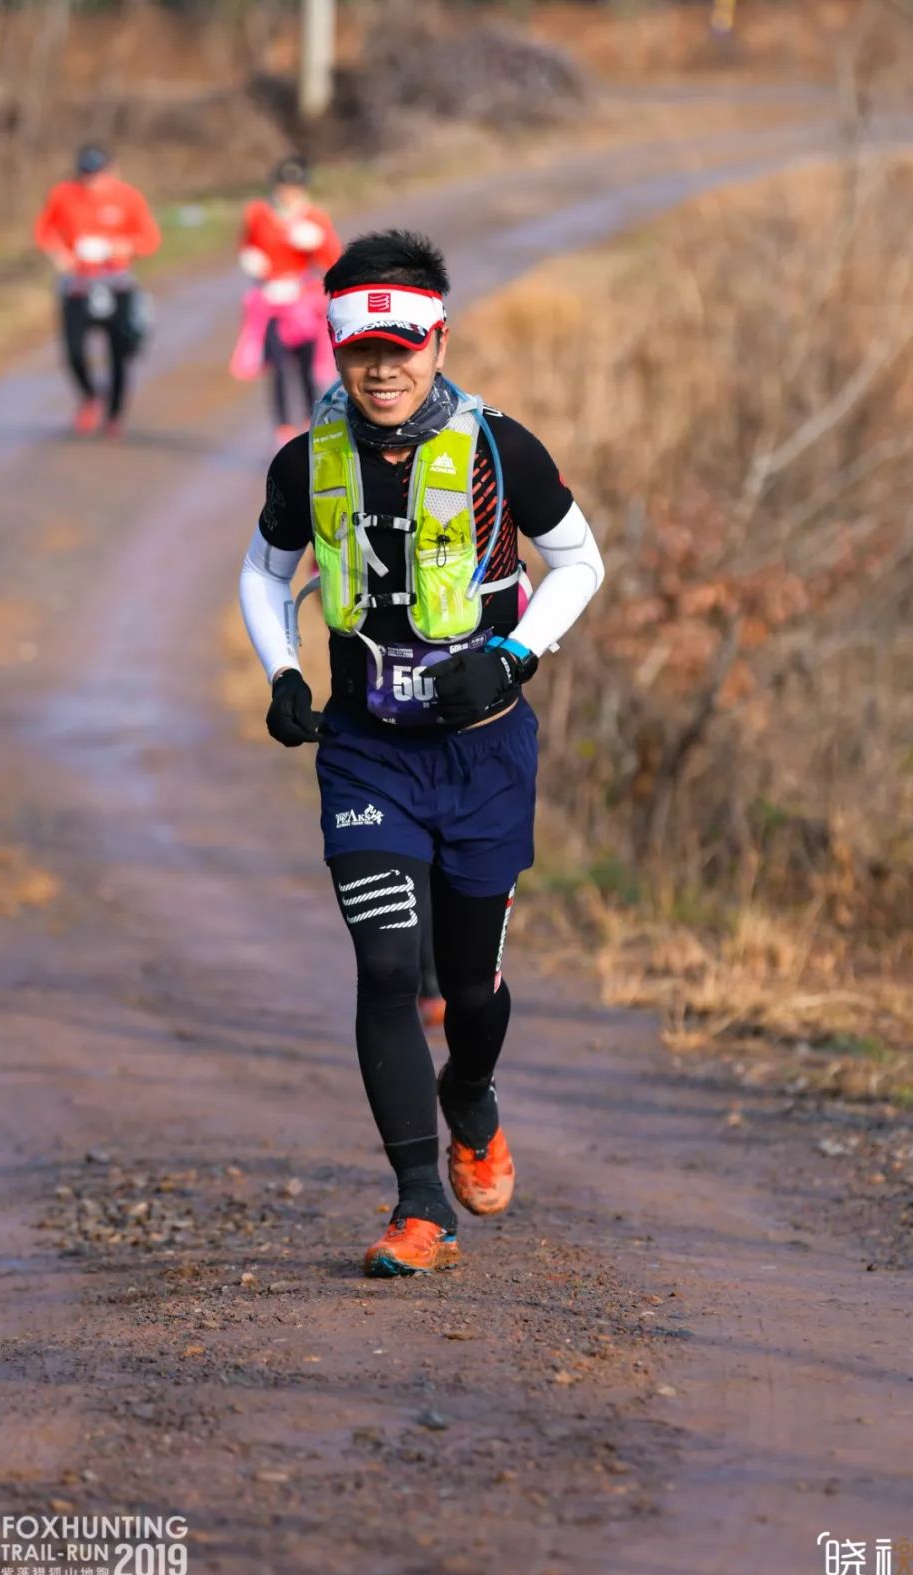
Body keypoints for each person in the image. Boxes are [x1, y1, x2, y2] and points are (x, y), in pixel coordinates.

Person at [239, 230, 604, 1277]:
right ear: (336, 351)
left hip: (484, 755)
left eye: (401, 349)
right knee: (388, 967)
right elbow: (265, 573)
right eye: (361, 352)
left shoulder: (500, 450)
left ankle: (471, 1097)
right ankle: (418, 1207)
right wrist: (282, 672)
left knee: (472, 994)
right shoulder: (307, 461)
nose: (382, 371)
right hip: (368, 755)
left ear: (439, 343)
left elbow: (580, 561)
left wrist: (516, 657)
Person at [34, 144, 160, 437]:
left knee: (120, 351)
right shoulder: (63, 194)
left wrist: (123, 247)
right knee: (73, 351)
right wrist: (59, 255)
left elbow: (150, 240)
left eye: (97, 173)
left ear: (112, 171)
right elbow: (44, 232)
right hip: (77, 284)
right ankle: (90, 397)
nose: (91, 180)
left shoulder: (129, 197)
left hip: (117, 284)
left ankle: (114, 415)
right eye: (86, 173)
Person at [233, 156, 341, 447]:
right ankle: (282, 429)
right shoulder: (258, 214)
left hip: (305, 303)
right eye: (283, 186)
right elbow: (247, 245)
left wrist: (317, 243)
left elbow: (333, 260)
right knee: (279, 368)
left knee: (307, 369)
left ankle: (310, 424)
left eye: (294, 187)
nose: (288, 193)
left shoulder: (315, 218)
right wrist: (250, 259)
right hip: (270, 302)